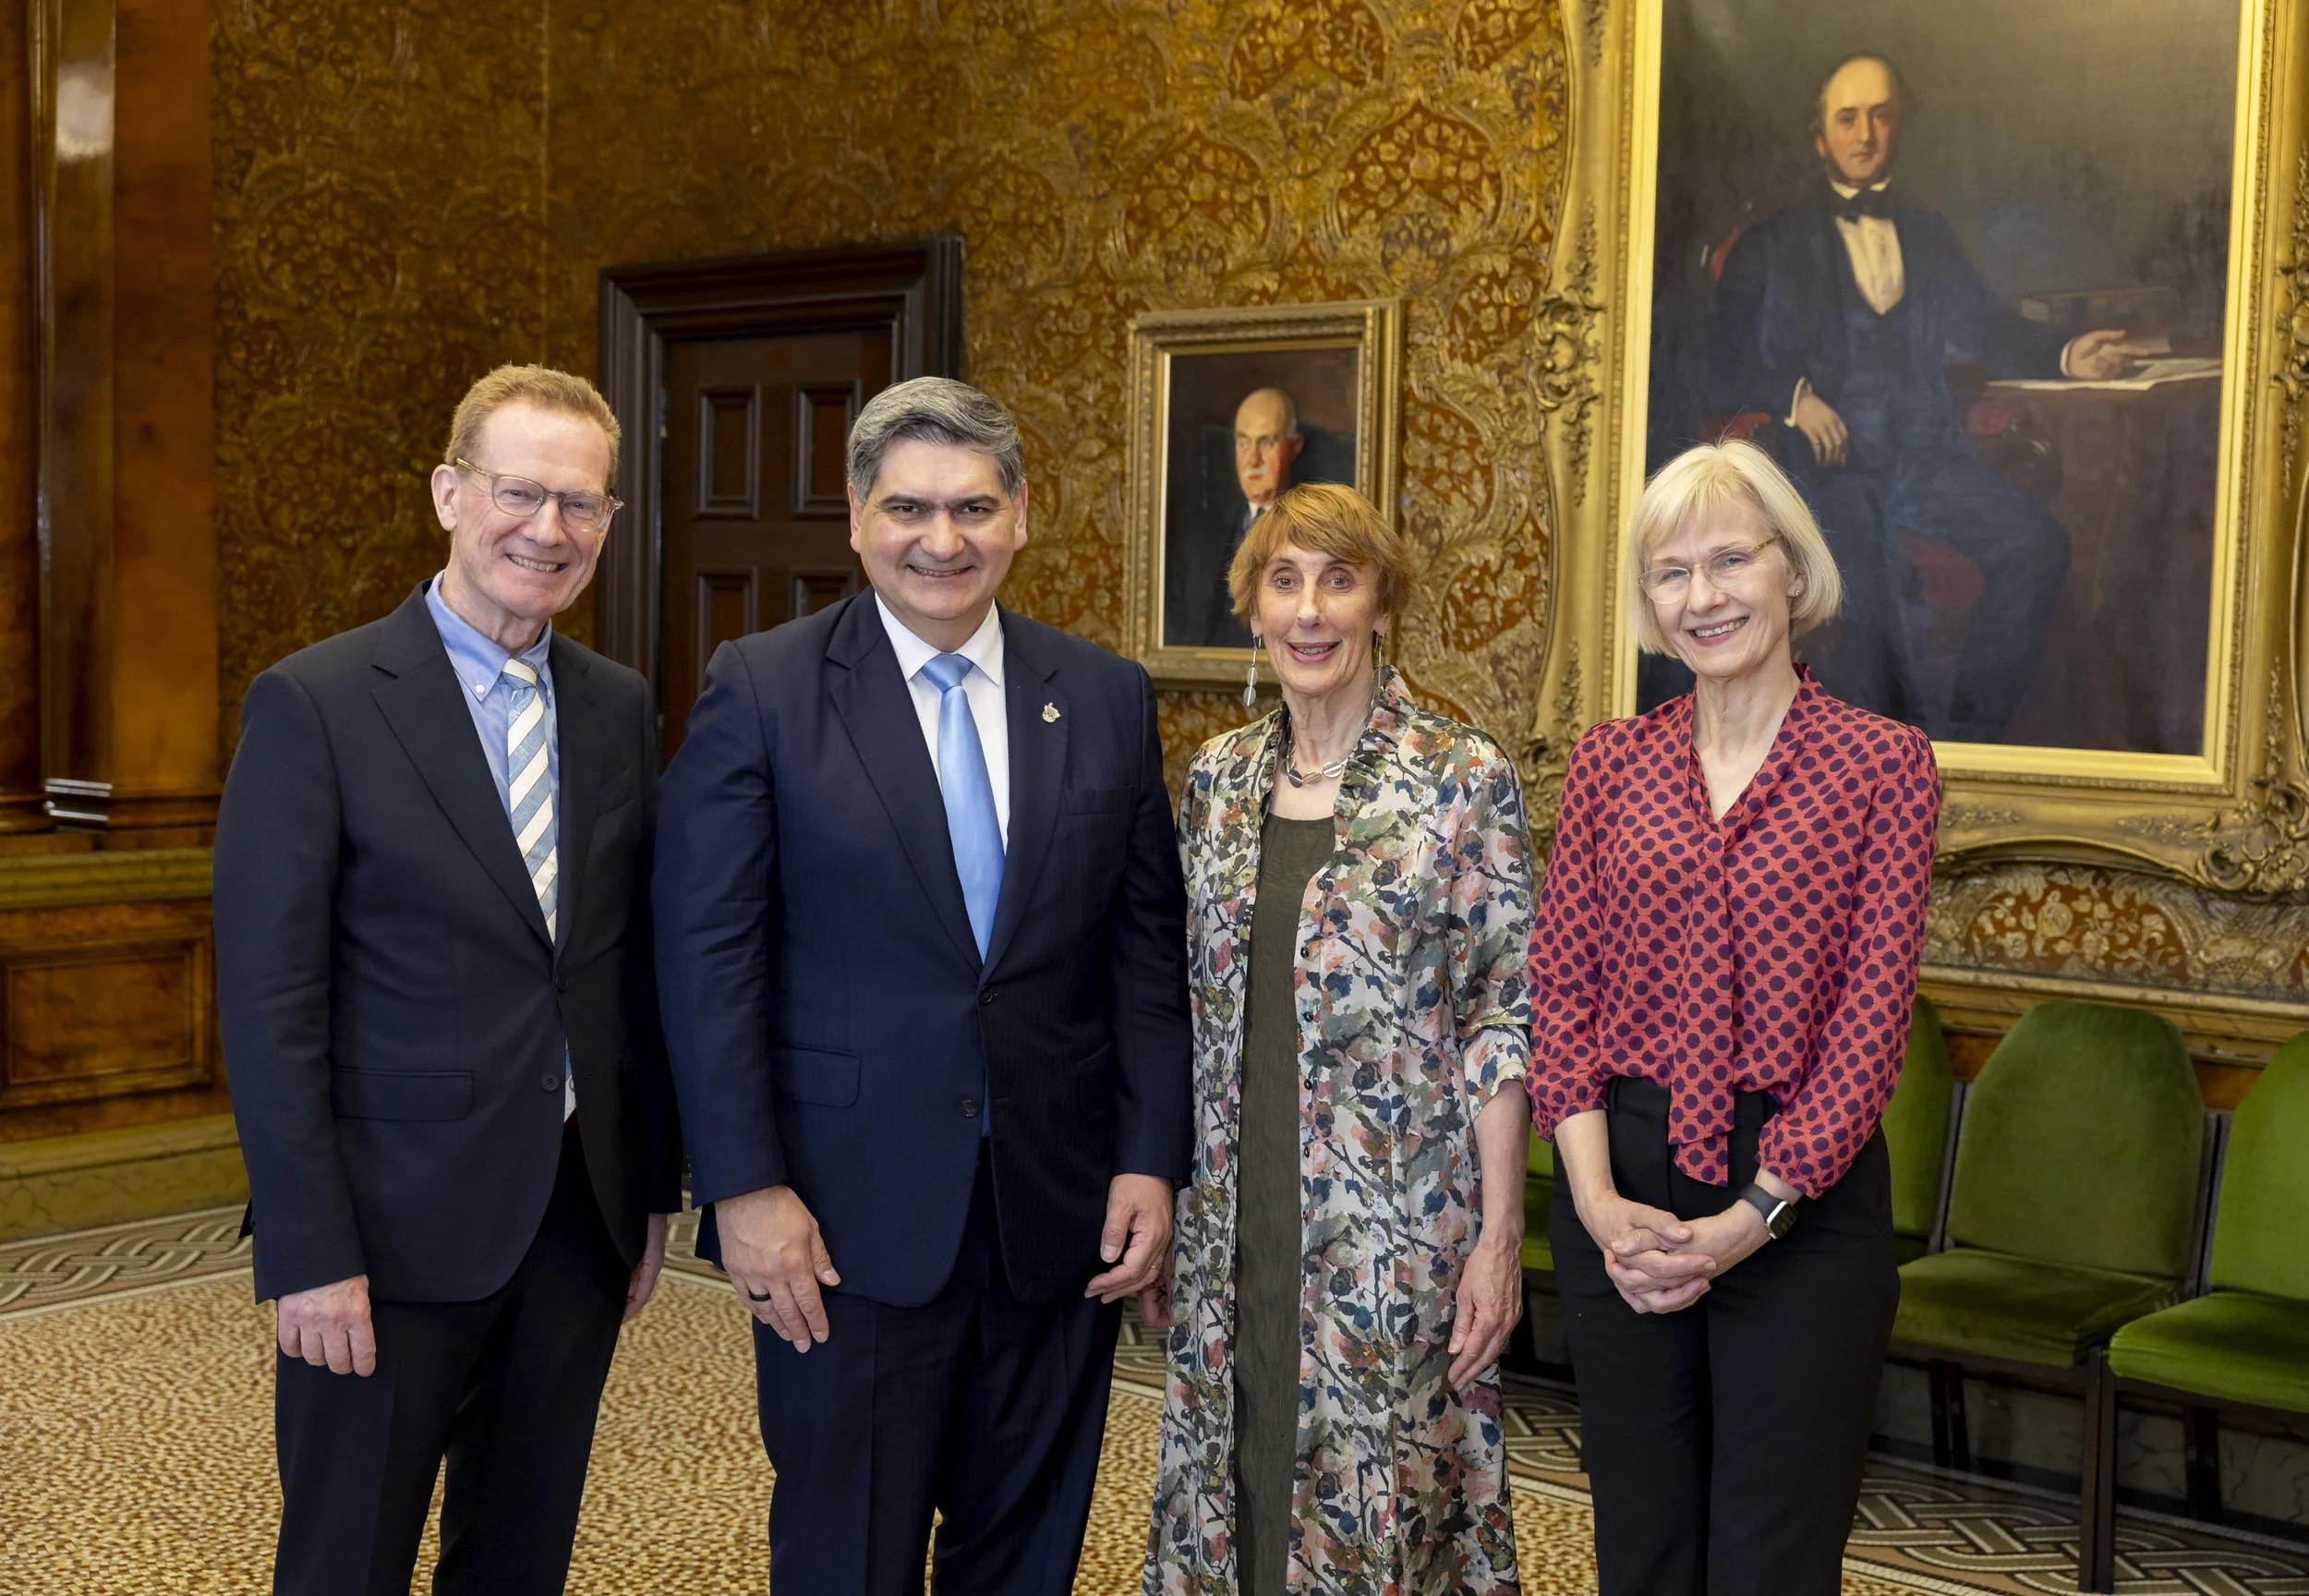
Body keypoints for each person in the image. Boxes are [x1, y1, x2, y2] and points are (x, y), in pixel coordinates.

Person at [653, 376, 1192, 1595]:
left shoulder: (1104, 698)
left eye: (972, 508)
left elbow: (1143, 955)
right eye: (908, 508)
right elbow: (708, 959)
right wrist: (742, 1185)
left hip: (1055, 1218)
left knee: (1027, 1551)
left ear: (1020, 517)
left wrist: (1151, 1158)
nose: (941, 540)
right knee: (850, 1557)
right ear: (855, 517)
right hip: (842, 1227)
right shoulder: (765, 688)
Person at [214, 364, 681, 1596]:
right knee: (345, 1562)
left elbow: (631, 969)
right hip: (383, 1230)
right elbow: (267, 1005)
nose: (549, 529)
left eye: (583, 504)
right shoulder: (315, 703)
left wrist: (648, 1191)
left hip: (575, 1219)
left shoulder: (620, 706)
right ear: (448, 494)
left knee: (520, 1556)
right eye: (519, 492)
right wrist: (307, 1246)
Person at [1529, 440, 1940, 1595]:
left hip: (1800, 1204)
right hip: (1623, 1188)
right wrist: (1602, 1206)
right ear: (1649, 604)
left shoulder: (1882, 767)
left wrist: (1744, 1223)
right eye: (1670, 572)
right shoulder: (1610, 765)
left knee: (1769, 1561)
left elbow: (1869, 1031)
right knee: (1643, 1552)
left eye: (1728, 560)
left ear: (1792, 573)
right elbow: (1560, 994)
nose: (1701, 596)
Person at [1146, 481, 1532, 1593]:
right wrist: (1170, 1199)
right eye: (1284, 581)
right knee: (1236, 1480)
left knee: (1391, 1509)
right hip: (1234, 1218)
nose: (1310, 610)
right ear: (1254, 611)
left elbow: (1502, 1016)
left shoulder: (1461, 778)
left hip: (1397, 1239)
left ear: (1380, 605)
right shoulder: (1217, 782)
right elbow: (1187, 1002)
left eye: (1338, 580)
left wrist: (1496, 1242)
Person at [1705, 52, 2145, 742]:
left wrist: (2067, 353)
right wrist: (1794, 398)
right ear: (1820, 137)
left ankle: (1972, 741)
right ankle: (1887, 771)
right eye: (1847, 118)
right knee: (1867, 617)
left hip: (1925, 462)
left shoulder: (1928, 233)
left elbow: (1990, 326)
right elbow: (1715, 361)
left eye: (1881, 116)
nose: (1866, 133)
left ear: (1899, 126)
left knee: (2039, 545)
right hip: (1829, 472)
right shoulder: (1774, 243)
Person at [1166, 386, 1304, 649]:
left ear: (1294, 446)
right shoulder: (1202, 533)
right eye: (1243, 443)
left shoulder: (1314, 527)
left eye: (1266, 442)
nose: (1253, 459)